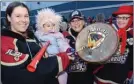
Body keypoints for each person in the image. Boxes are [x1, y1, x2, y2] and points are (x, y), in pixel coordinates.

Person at [1, 1, 72, 84]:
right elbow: (25, 76)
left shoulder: (32, 37)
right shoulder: (5, 42)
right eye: (18, 16)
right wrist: (61, 59)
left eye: (26, 16)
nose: (23, 20)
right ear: (9, 17)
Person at [95, 5, 133, 84]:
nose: (120, 20)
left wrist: (129, 75)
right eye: (119, 17)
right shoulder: (110, 33)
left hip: (119, 80)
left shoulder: (132, 36)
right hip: (101, 79)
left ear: (131, 19)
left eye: (125, 18)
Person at [35, 8, 74, 84]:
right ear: (42, 26)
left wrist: (68, 49)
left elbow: (62, 44)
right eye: (48, 25)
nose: (51, 27)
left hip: (57, 60)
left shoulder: (57, 35)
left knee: (63, 75)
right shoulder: (38, 36)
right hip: (45, 62)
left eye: (53, 25)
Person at [63, 10, 94, 84]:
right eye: (73, 21)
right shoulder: (64, 38)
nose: (76, 23)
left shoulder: (91, 36)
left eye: (78, 20)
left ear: (83, 21)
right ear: (69, 24)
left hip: (87, 79)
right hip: (71, 80)